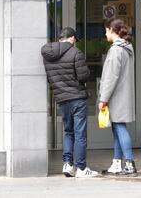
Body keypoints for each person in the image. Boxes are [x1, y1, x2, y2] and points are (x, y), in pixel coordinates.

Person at [41, 27, 99, 178]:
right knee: (80, 134)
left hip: (62, 98)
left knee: (68, 132)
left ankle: (68, 164)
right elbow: (83, 76)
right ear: (72, 38)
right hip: (77, 98)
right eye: (75, 39)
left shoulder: (48, 55)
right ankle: (81, 168)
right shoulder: (75, 52)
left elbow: (50, 78)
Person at [98, 18, 137, 176]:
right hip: (123, 95)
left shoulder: (116, 50)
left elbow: (111, 77)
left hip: (116, 96)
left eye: (106, 30)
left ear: (112, 30)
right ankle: (116, 163)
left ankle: (129, 163)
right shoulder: (127, 48)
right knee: (117, 128)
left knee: (119, 128)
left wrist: (103, 99)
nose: (105, 33)